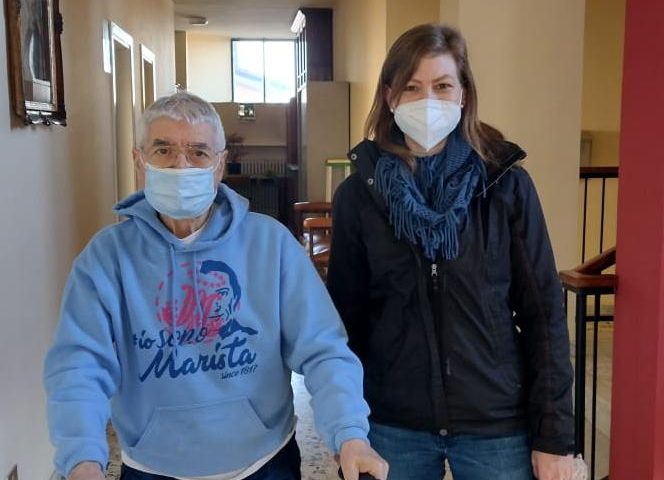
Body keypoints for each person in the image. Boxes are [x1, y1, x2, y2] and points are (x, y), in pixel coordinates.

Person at [44, 92, 388, 480]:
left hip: (264, 465)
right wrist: (81, 459)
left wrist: (349, 435)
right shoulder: (106, 259)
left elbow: (323, 350)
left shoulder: (271, 246)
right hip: (152, 468)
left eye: (198, 152)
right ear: (140, 161)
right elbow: (79, 366)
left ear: (219, 165)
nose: (181, 165)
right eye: (163, 150)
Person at [327, 24, 575, 480]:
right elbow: (345, 325)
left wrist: (554, 437)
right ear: (390, 97)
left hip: (496, 422)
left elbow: (543, 315)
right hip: (391, 422)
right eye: (412, 87)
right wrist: (346, 429)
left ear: (464, 95)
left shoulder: (506, 187)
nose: (428, 100)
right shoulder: (358, 196)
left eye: (442, 86)